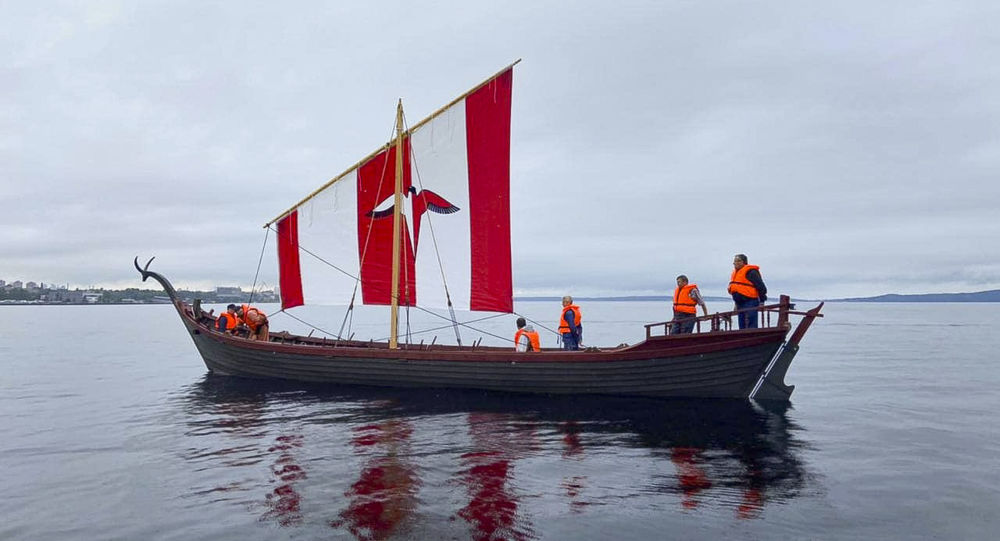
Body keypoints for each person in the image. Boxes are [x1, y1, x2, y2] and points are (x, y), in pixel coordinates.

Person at [728, 254, 768, 329]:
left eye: (738, 261)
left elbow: (761, 287)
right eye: (734, 262)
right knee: (742, 325)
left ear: (744, 262)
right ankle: (744, 339)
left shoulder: (751, 272)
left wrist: (762, 301)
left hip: (750, 301)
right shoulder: (735, 274)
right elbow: (736, 289)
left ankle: (753, 338)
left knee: (751, 323)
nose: (736, 263)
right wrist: (736, 304)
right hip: (740, 303)